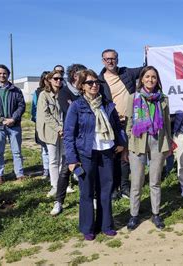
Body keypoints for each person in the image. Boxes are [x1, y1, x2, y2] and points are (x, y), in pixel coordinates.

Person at [64, 69, 126, 240]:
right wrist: (71, 159)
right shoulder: (77, 106)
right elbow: (69, 134)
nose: (94, 85)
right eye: (89, 83)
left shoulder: (107, 104)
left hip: (107, 152)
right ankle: (87, 228)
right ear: (82, 86)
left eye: (96, 82)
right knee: (87, 192)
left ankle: (106, 224)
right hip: (86, 154)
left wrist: (121, 143)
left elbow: (117, 126)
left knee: (105, 190)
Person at [124, 66, 172, 231]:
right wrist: (130, 140)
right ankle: (134, 215)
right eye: (147, 77)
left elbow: (166, 123)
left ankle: (156, 214)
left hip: (158, 142)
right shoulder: (133, 98)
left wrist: (169, 143)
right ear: (141, 79)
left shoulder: (163, 99)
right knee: (136, 182)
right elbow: (129, 122)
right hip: (138, 142)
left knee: (155, 181)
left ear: (157, 80)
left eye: (153, 77)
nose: (150, 80)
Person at [98, 49, 143, 200]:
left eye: (113, 58)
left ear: (117, 59)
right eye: (107, 59)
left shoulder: (127, 73)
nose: (110, 61)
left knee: (125, 155)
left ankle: (124, 187)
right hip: (110, 123)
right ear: (103, 61)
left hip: (129, 121)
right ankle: (113, 187)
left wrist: (148, 53)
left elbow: (146, 68)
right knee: (111, 155)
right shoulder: (100, 80)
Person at [52, 63, 87, 216]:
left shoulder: (85, 90)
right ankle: (59, 201)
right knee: (66, 169)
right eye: (82, 75)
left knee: (87, 167)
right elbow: (71, 111)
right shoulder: (64, 92)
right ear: (74, 76)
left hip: (87, 135)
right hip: (71, 136)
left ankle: (89, 197)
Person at [0, 64, 26, 184]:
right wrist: (1, 119)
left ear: (8, 74)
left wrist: (13, 118)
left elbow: (21, 106)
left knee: (16, 151)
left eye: (4, 73)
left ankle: (19, 174)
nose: (2, 75)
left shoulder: (15, 90)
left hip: (14, 125)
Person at [36, 70, 66, 198]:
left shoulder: (64, 94)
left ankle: (63, 184)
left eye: (60, 78)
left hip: (64, 131)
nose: (58, 81)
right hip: (51, 131)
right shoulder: (44, 95)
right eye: (55, 78)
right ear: (49, 80)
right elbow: (45, 115)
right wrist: (58, 128)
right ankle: (55, 185)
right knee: (53, 159)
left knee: (63, 159)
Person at [31, 71, 50, 179]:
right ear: (42, 80)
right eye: (45, 79)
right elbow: (33, 109)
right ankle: (46, 170)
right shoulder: (37, 92)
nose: (47, 81)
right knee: (44, 149)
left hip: (53, 126)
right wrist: (38, 121)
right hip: (41, 125)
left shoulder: (58, 91)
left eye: (49, 79)